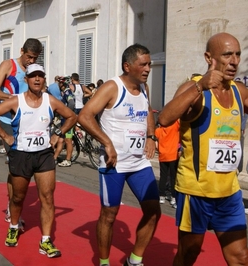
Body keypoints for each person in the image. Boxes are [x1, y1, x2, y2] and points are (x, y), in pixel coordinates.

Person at [158, 32, 248, 266]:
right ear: (210, 58)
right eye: (227, 54)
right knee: (189, 254)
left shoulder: (239, 91)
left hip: (229, 192)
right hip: (196, 192)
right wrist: (199, 86)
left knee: (241, 257)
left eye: (237, 54)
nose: (234, 60)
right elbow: (165, 118)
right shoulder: (194, 88)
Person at [78, 43, 161, 266]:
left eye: (149, 64)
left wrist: (151, 136)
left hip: (139, 162)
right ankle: (104, 262)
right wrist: (107, 143)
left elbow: (148, 111)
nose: (147, 69)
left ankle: (134, 260)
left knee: (153, 211)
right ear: (127, 66)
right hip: (114, 164)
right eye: (142, 64)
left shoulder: (144, 87)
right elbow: (85, 116)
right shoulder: (112, 87)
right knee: (109, 214)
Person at [0, 63, 77, 257]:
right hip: (21, 154)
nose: (36, 79)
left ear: (44, 79)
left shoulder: (50, 101)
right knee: (18, 198)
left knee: (48, 198)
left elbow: (72, 117)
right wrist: (4, 136)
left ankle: (45, 241)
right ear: (26, 80)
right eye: (33, 76)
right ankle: (14, 226)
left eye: (40, 76)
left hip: (43, 155)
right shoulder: (16, 101)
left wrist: (58, 133)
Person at [0, 38, 43, 224]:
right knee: (16, 167)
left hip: (28, 122)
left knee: (23, 168)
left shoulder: (34, 71)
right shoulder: (8, 65)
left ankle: (14, 204)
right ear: (21, 51)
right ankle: (12, 210)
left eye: (35, 58)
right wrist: (12, 98)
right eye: (28, 57)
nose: (31, 61)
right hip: (7, 121)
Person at [154, 120, 180, 208]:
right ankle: (173, 197)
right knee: (173, 177)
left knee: (163, 176)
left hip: (162, 156)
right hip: (173, 155)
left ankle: (161, 196)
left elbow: (154, 138)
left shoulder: (159, 130)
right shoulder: (175, 125)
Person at [54, 76, 76, 167]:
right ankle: (54, 158)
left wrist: (67, 114)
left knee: (68, 140)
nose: (58, 85)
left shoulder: (67, 92)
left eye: (59, 83)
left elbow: (71, 103)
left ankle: (68, 160)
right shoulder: (63, 92)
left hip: (68, 121)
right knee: (60, 140)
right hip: (64, 120)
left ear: (62, 83)